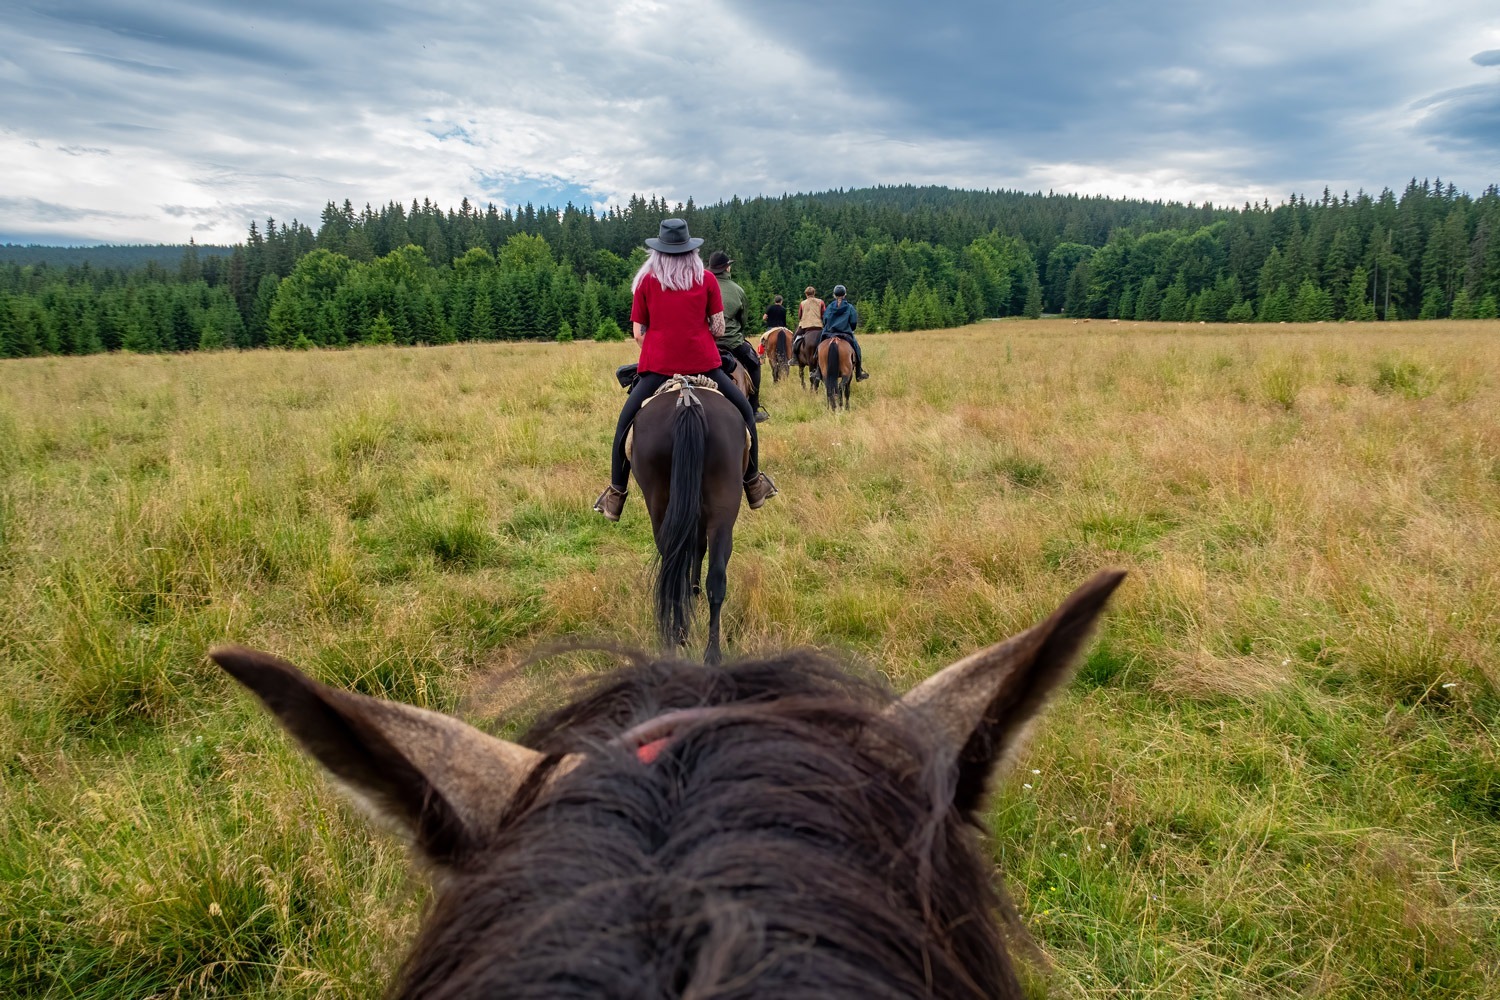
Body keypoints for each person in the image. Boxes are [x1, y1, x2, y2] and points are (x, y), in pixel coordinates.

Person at [593, 219, 777, 521]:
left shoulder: (646, 283)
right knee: (745, 411)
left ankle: (616, 492)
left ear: (659, 251)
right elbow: (718, 328)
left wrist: (660, 348)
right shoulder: (706, 279)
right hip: (704, 362)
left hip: (657, 367)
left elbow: (639, 333)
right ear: (691, 250)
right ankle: (753, 481)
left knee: (624, 424)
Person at [707, 251, 768, 422]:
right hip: (732, 341)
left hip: (705, 342)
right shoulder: (737, 290)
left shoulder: (700, 287)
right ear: (727, 268)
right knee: (754, 363)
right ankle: (754, 408)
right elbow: (743, 320)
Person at [818, 284, 870, 380]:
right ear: (845, 294)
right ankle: (858, 373)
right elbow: (853, 322)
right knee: (857, 349)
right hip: (845, 334)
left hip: (829, 334)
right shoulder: (850, 307)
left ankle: (818, 372)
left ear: (834, 295)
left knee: (819, 347)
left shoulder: (829, 307)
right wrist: (850, 328)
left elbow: (825, 320)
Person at [793, 286, 824, 354]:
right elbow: (823, 314)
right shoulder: (821, 302)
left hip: (805, 326)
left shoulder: (802, 303)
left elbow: (799, 316)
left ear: (806, 294)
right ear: (814, 293)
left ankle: (794, 357)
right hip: (818, 325)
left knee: (795, 338)